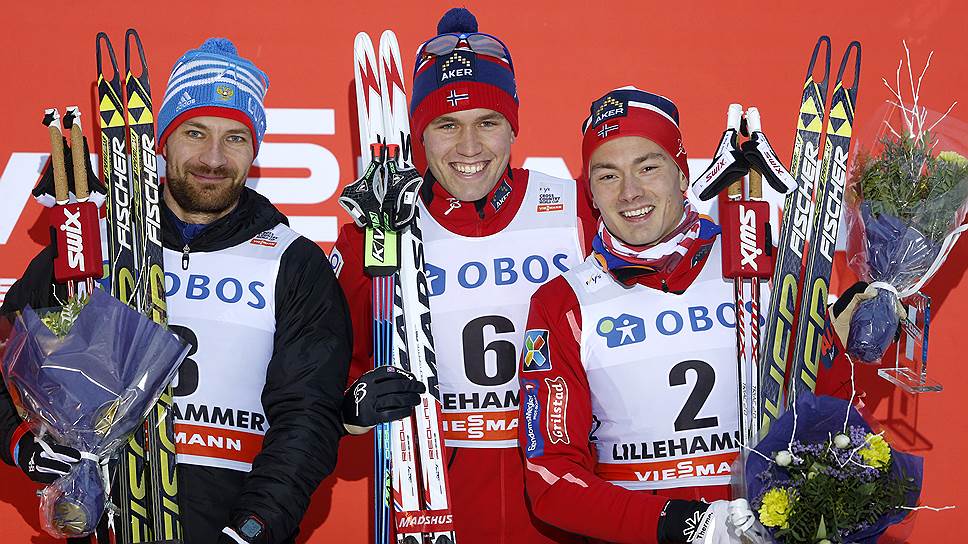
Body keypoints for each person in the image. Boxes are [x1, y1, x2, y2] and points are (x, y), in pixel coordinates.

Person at [0, 38, 356, 544]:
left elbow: (308, 417)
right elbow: (7, 355)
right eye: (194, 132)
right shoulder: (92, 246)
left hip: (232, 526)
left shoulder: (293, 262)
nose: (213, 157)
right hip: (110, 522)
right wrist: (21, 441)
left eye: (235, 137)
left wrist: (254, 527)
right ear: (162, 141)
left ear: (254, 150)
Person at [332, 8, 595, 543]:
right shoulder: (377, 231)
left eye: (488, 122)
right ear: (419, 135)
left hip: (565, 512)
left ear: (513, 126)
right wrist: (350, 410)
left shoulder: (576, 210)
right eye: (447, 125)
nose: (469, 147)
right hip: (433, 511)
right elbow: (330, 373)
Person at [517, 87, 763, 543]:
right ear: (591, 194)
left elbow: (830, 416)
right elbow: (551, 478)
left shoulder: (759, 267)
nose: (630, 192)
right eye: (608, 176)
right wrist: (685, 526)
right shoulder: (563, 303)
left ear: (682, 173)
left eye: (648, 167)